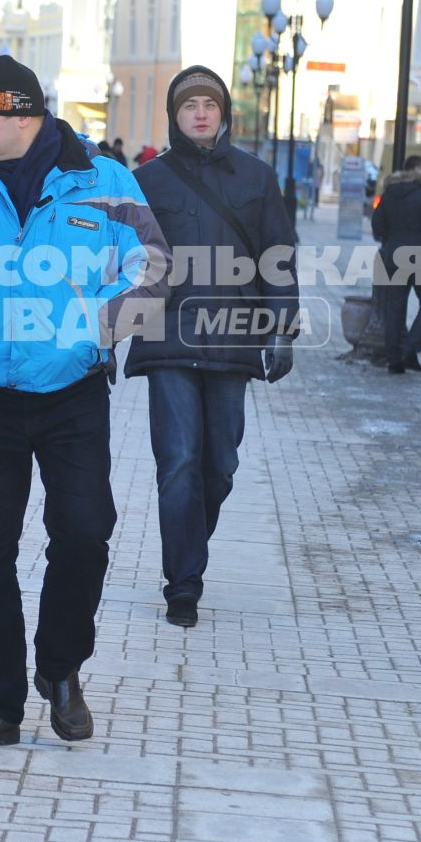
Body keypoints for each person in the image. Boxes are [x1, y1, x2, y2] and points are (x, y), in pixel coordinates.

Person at [0, 55, 169, 750]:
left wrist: (96, 332)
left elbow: (154, 263)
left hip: (73, 390)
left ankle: (60, 666)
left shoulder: (104, 182)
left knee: (84, 531)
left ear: (22, 116)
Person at [128, 67, 296, 628]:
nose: (200, 112)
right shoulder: (147, 181)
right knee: (178, 463)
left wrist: (283, 327)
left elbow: (278, 253)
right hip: (168, 335)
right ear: (174, 115)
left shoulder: (257, 176)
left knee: (220, 464)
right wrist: (104, 331)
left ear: (224, 113)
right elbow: (122, 259)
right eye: (188, 105)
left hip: (234, 333)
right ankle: (183, 584)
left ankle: (187, 549)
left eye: (209, 104)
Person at [372, 155, 421, 374]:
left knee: (395, 306)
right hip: (420, 254)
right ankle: (410, 348)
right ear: (416, 171)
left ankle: (395, 358)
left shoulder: (389, 194)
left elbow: (377, 225)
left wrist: (391, 240)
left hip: (393, 254)